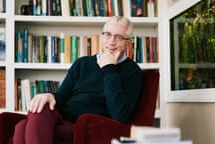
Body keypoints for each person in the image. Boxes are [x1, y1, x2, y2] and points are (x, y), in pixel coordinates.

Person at [13, 16, 143, 144]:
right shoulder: (82, 63)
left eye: (119, 37)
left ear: (128, 42)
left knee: (22, 127)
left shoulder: (133, 72)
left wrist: (109, 69)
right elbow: (62, 97)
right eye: (108, 35)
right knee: (40, 107)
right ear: (102, 36)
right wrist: (50, 95)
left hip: (89, 127)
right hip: (64, 118)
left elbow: (119, 115)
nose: (111, 41)